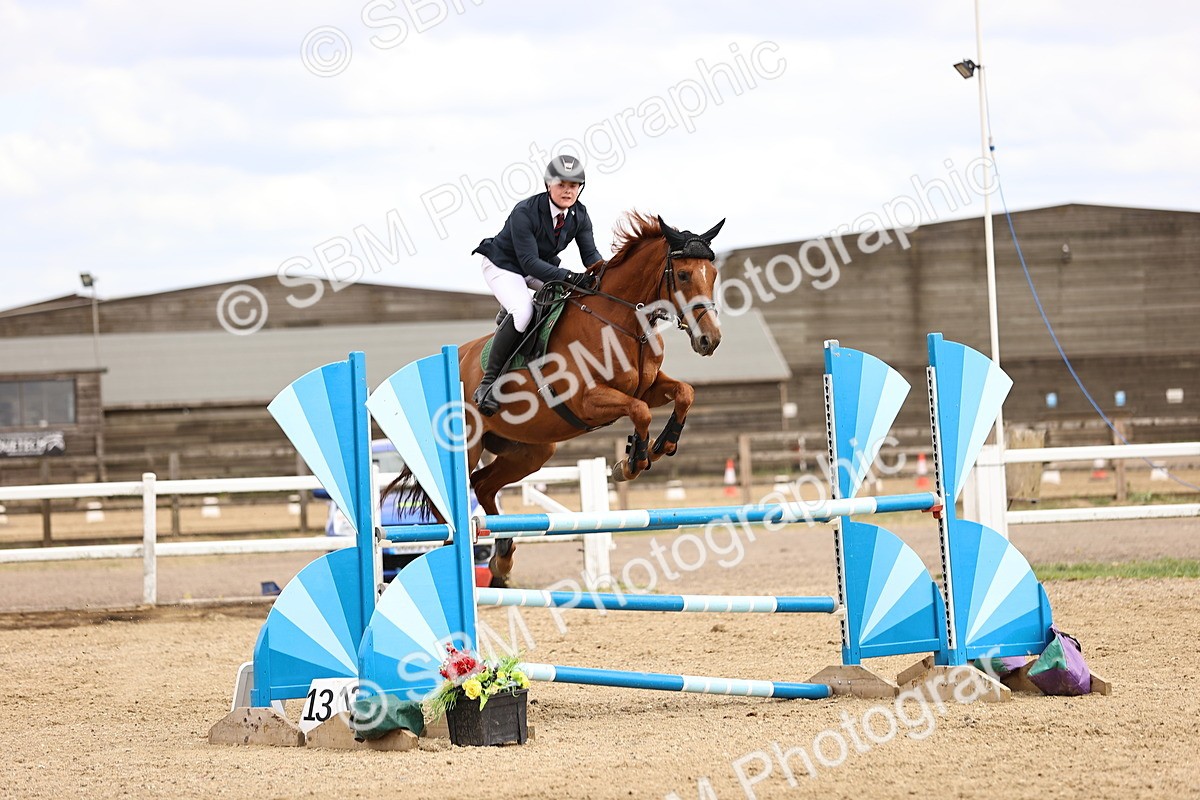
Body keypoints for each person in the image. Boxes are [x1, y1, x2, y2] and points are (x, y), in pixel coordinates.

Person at [471, 155, 604, 415]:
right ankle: (488, 383)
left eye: (573, 185)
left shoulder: (579, 214)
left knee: (575, 296)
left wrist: (606, 275)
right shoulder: (525, 212)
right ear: (548, 185)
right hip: (504, 265)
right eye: (561, 184)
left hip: (536, 266)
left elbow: (590, 256)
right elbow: (529, 262)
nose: (568, 191)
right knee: (523, 311)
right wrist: (569, 276)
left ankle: (510, 316)